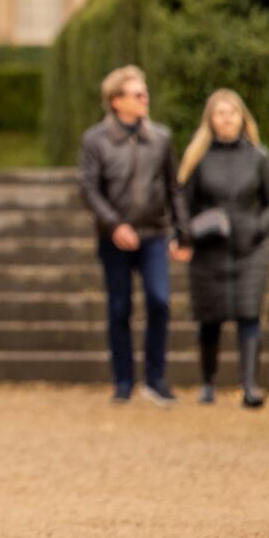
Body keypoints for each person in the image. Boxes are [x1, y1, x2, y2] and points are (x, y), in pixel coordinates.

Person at [78, 65, 190, 407]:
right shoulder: (95, 140)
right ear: (116, 101)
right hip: (114, 238)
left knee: (159, 300)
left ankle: (155, 379)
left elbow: (174, 187)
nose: (145, 99)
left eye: (145, 92)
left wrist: (182, 232)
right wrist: (115, 225)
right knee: (119, 307)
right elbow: (89, 188)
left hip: (154, 233)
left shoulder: (161, 138)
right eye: (137, 94)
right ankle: (123, 380)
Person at [180, 89, 269, 408]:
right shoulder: (198, 159)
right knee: (210, 318)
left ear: (242, 117)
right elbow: (184, 203)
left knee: (249, 315)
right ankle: (208, 381)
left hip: (249, 248)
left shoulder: (258, 156)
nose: (227, 118)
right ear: (210, 119)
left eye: (233, 112)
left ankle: (250, 385)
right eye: (221, 113)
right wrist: (193, 230)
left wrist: (258, 229)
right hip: (209, 250)